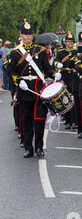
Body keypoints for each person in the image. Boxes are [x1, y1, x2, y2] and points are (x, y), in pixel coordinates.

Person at [8, 20, 55, 158]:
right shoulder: (15, 53)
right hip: (24, 90)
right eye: (25, 34)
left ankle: (39, 147)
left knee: (39, 120)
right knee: (26, 119)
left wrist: (55, 74)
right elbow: (11, 71)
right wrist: (18, 80)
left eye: (29, 35)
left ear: (32, 35)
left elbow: (47, 69)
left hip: (39, 90)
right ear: (21, 35)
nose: (27, 37)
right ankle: (28, 147)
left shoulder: (40, 51)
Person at [54, 32, 78, 130]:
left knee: (74, 99)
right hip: (64, 76)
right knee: (65, 99)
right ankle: (67, 120)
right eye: (68, 41)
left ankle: (74, 121)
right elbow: (55, 61)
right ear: (65, 42)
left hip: (73, 75)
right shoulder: (61, 52)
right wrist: (57, 65)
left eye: (71, 41)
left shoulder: (76, 52)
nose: (69, 43)